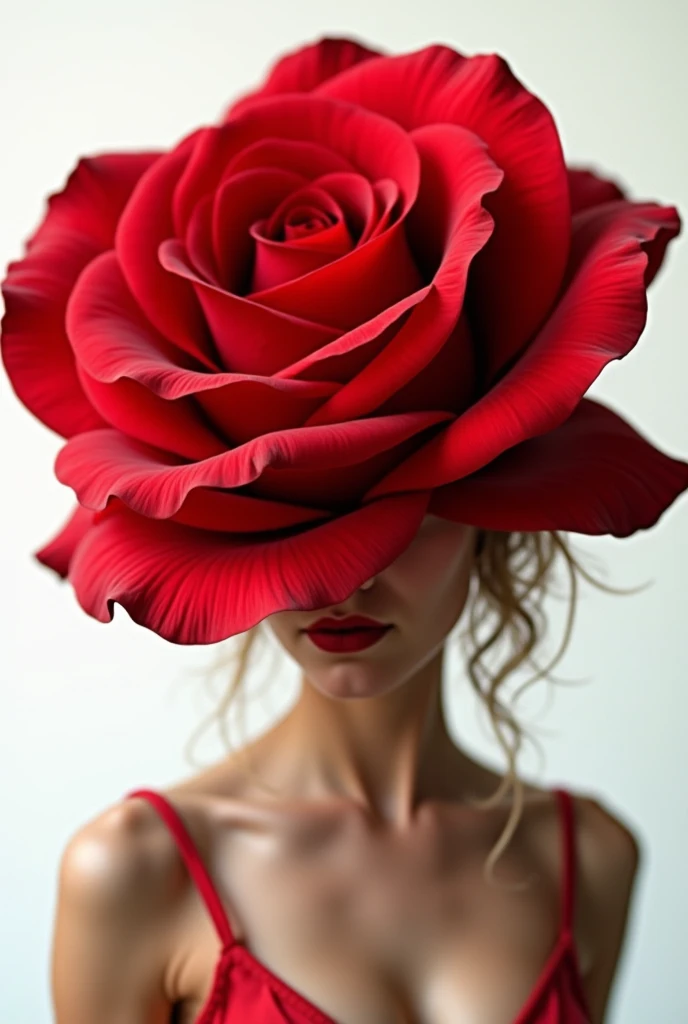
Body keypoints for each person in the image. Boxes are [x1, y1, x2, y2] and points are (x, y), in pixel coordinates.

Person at [50, 516, 638, 1023]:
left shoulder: (587, 855)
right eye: (300, 521)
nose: (348, 581)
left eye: (398, 521)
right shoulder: (135, 867)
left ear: (488, 530)